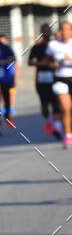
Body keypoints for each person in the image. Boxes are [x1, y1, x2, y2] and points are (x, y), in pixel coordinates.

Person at [28, 23, 60, 138]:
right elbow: (30, 62)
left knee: (56, 102)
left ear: (51, 32)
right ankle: (49, 118)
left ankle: (57, 126)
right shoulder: (37, 46)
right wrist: (42, 63)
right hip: (41, 79)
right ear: (41, 33)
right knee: (44, 106)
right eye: (44, 31)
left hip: (55, 77)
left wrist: (55, 64)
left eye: (48, 30)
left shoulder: (55, 45)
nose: (46, 33)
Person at [46, 20, 72, 148]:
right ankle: (67, 135)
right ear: (59, 31)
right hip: (60, 79)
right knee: (66, 108)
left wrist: (69, 59)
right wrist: (53, 64)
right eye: (63, 30)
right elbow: (48, 61)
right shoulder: (53, 45)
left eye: (68, 29)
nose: (65, 32)